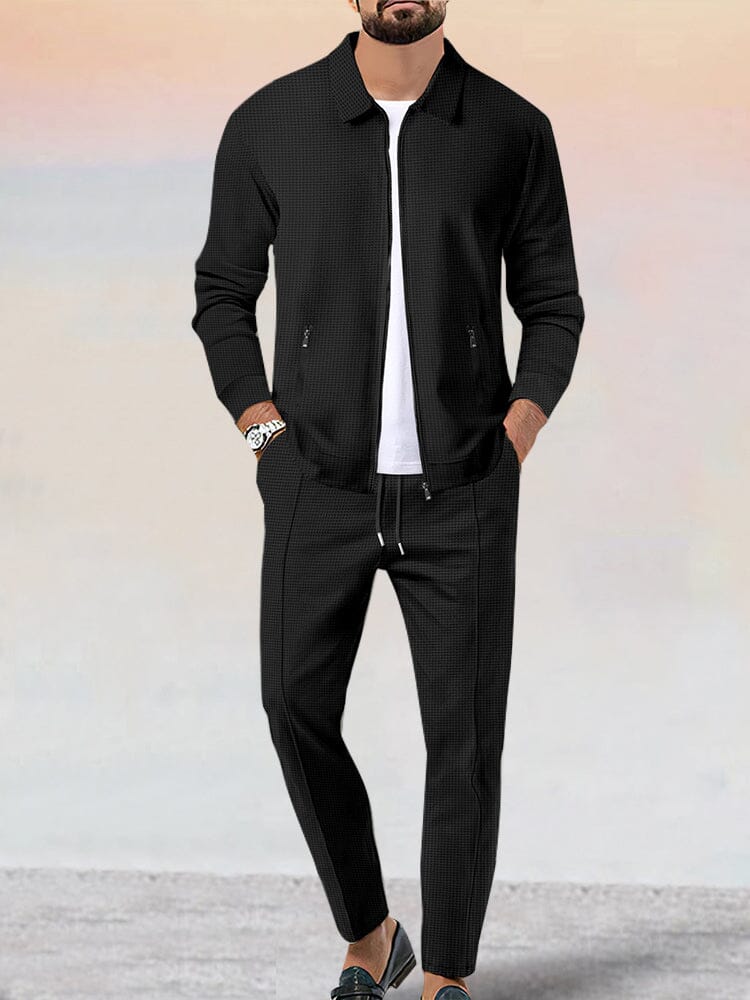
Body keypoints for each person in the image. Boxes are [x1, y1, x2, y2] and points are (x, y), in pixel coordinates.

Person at [191, 2, 585, 997]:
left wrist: (517, 433)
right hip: (317, 484)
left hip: (465, 489)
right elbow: (223, 294)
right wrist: (266, 438)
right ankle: (371, 934)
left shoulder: (511, 129)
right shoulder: (271, 123)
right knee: (294, 705)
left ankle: (446, 972)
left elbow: (553, 302)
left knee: (464, 742)